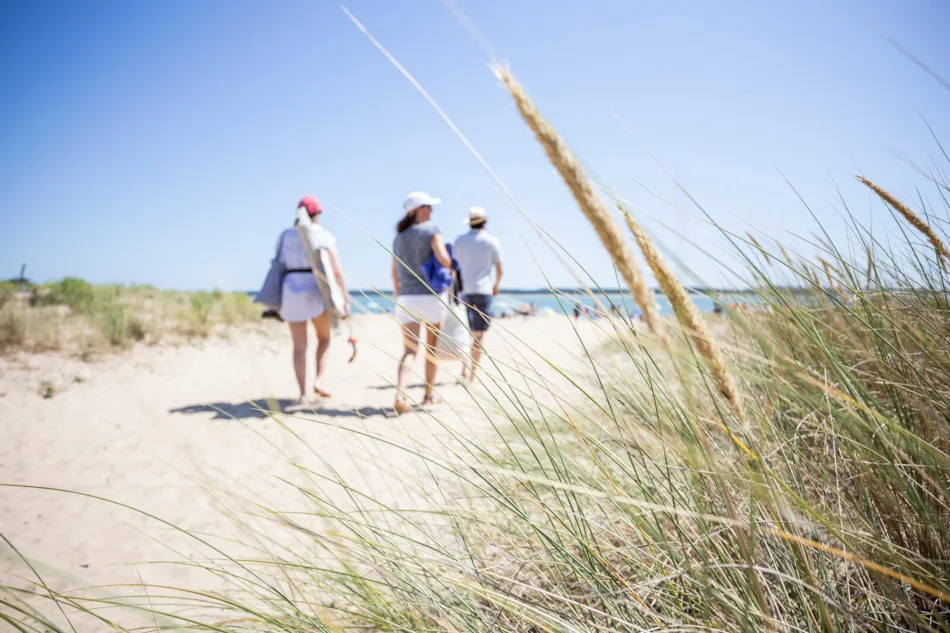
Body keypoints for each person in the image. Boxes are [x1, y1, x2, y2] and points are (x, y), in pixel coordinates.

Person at [277, 196, 349, 402]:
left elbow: (278, 264)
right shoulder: (322, 234)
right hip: (316, 288)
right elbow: (336, 269)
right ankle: (319, 379)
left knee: (299, 346)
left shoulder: (285, 236)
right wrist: (344, 296)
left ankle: (302, 393)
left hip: (291, 290)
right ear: (316, 214)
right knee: (324, 338)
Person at [392, 191, 454, 413]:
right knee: (431, 348)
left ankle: (401, 393)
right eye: (428, 207)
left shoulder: (398, 237)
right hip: (431, 297)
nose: (431, 211)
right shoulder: (432, 231)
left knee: (409, 350)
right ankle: (428, 395)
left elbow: (394, 273)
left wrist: (400, 296)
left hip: (406, 297)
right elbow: (443, 259)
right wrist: (454, 270)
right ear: (417, 210)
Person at [453, 206, 503, 383]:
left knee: (465, 332)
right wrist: (495, 286)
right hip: (483, 290)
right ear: (485, 222)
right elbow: (499, 269)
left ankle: (463, 368)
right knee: (478, 335)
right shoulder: (491, 241)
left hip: (463, 291)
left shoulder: (459, 241)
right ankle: (472, 374)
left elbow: (454, 268)